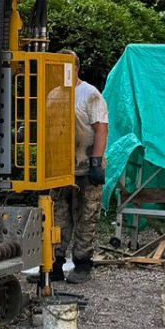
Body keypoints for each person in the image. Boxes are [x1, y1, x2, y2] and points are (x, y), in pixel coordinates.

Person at [53, 75, 108, 284]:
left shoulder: (90, 94)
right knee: (58, 215)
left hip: (86, 166)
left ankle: (82, 263)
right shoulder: (55, 94)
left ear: (75, 69)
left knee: (87, 215)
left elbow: (101, 128)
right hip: (61, 167)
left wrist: (95, 161)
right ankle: (54, 264)